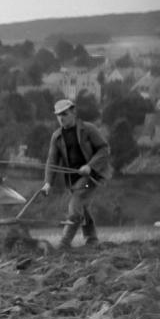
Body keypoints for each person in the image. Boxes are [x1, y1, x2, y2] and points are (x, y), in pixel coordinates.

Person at [41, 99, 112, 249]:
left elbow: (104, 149)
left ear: (73, 112)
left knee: (75, 207)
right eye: (58, 115)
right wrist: (48, 183)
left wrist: (90, 166)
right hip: (73, 180)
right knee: (83, 207)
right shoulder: (57, 136)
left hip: (90, 177)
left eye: (64, 114)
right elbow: (52, 161)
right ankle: (92, 240)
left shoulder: (89, 129)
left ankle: (64, 243)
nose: (61, 118)